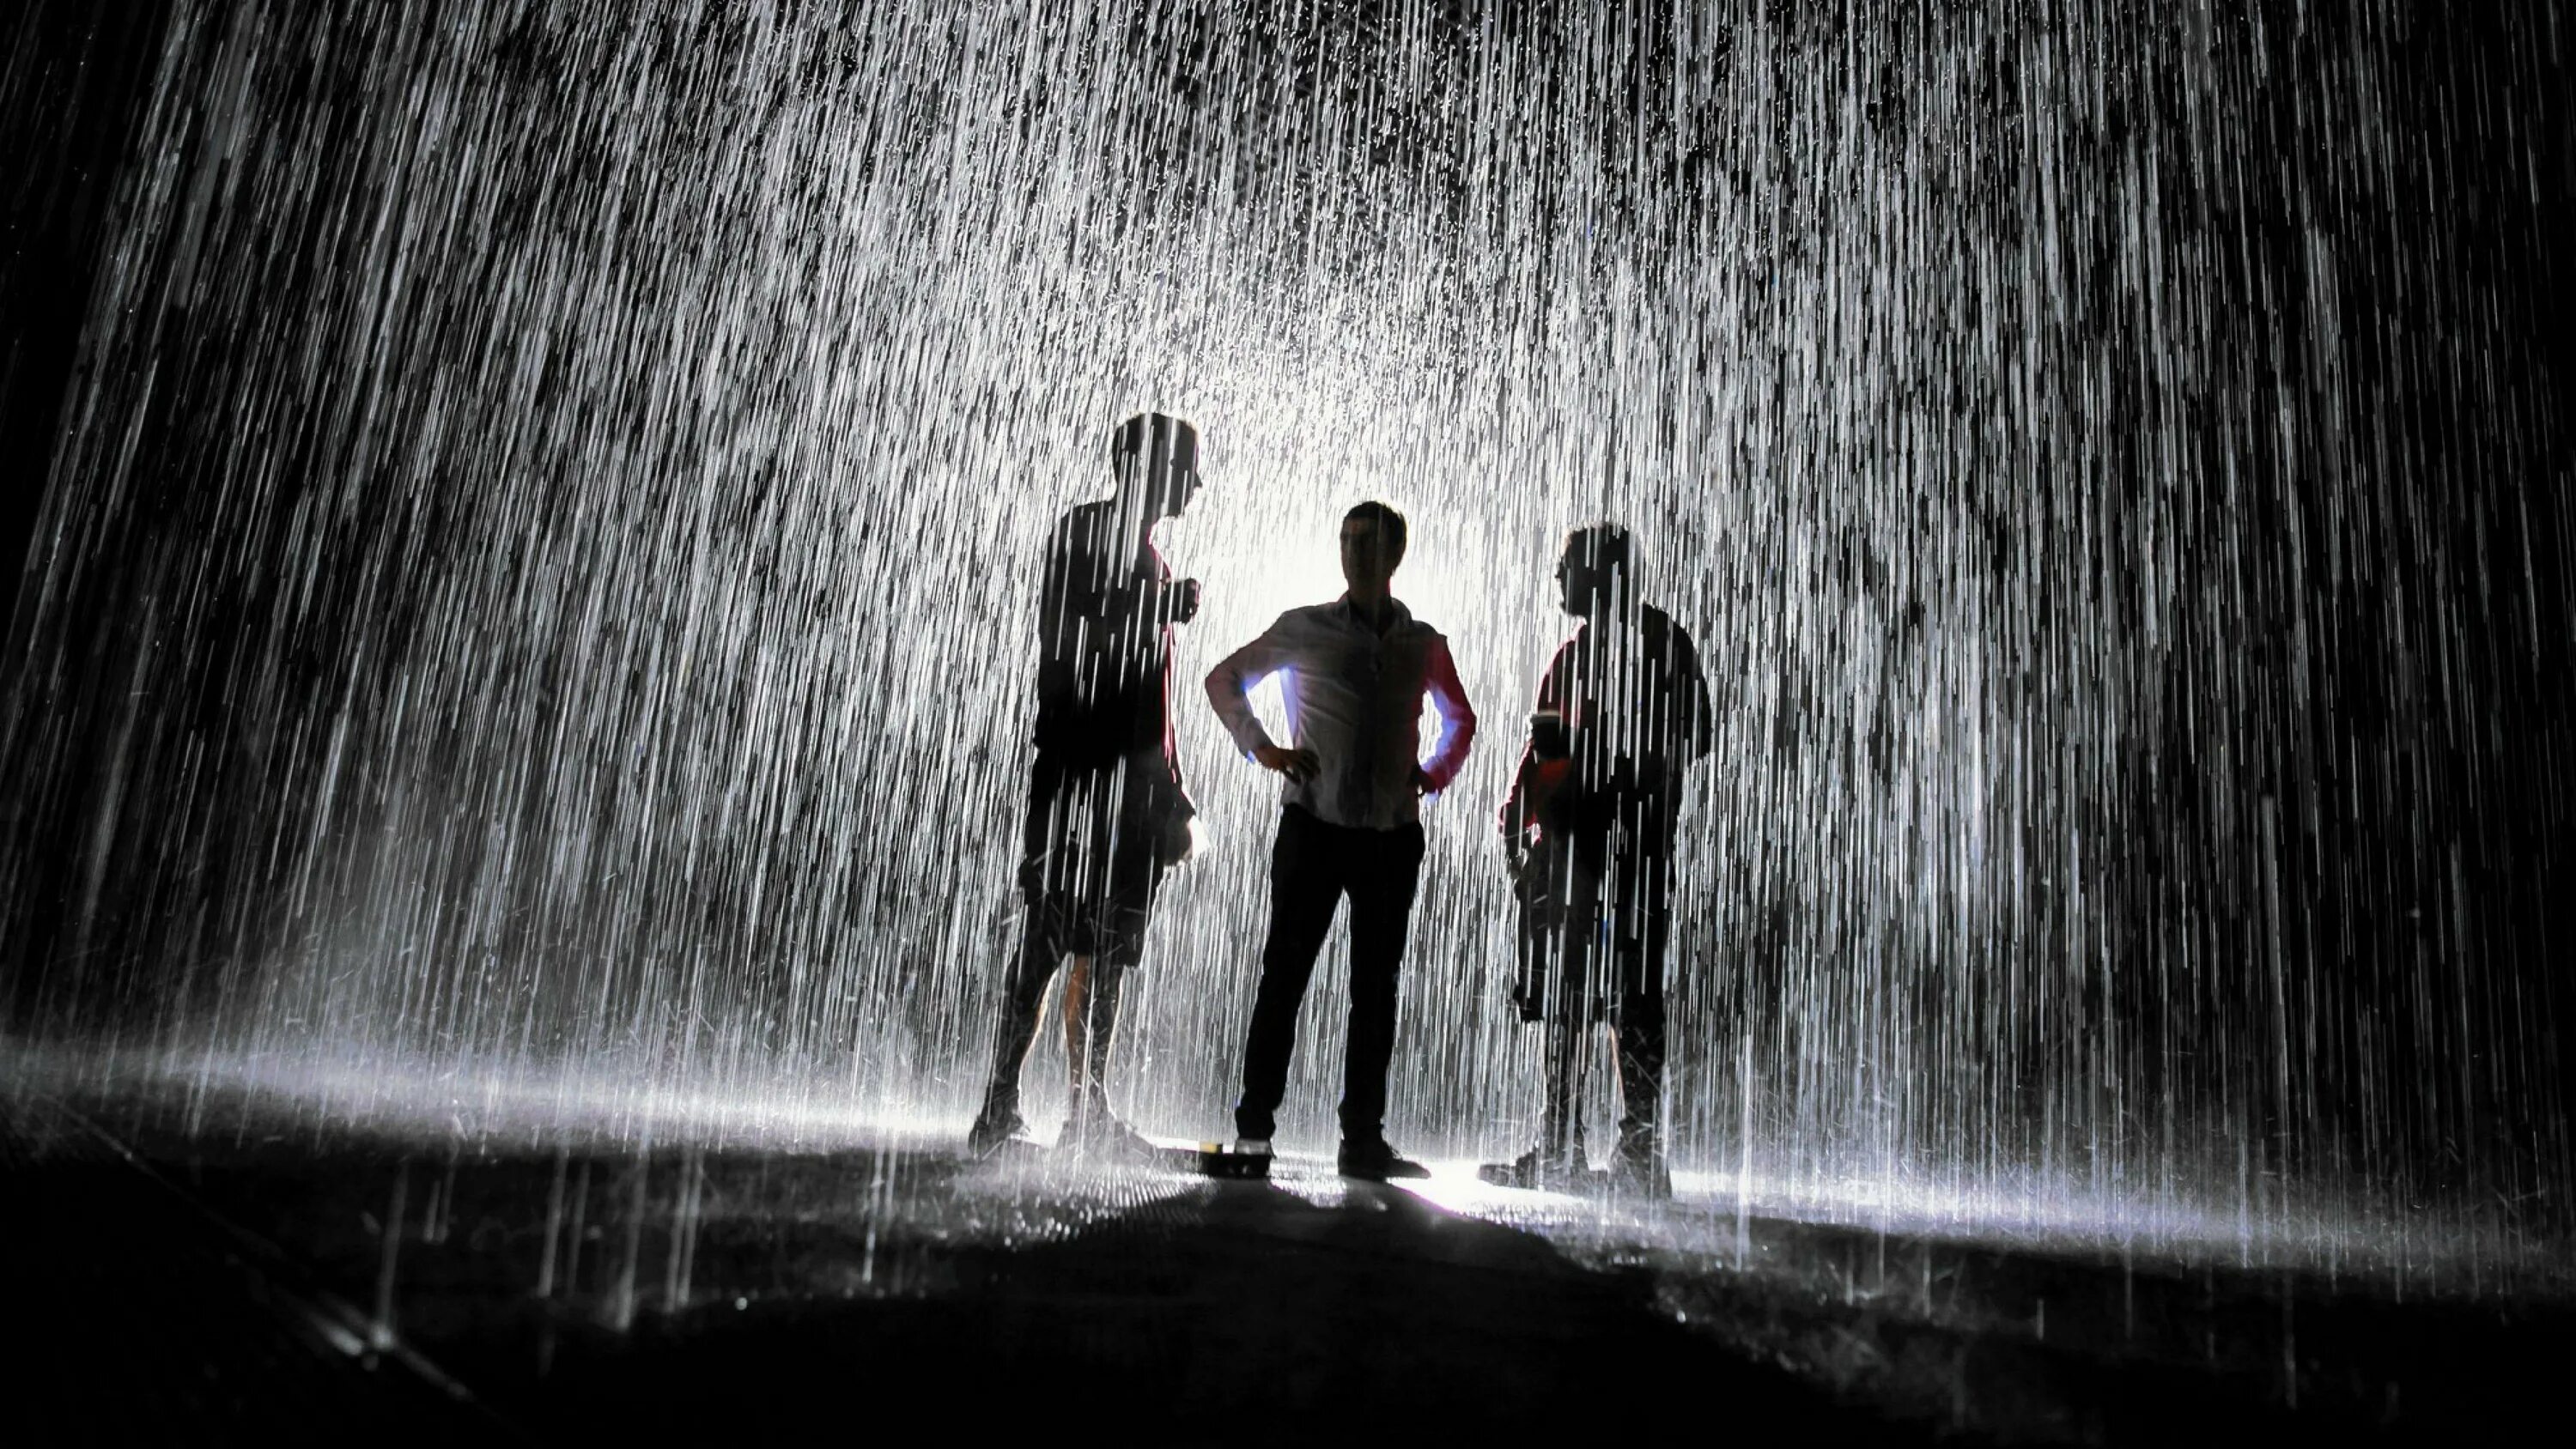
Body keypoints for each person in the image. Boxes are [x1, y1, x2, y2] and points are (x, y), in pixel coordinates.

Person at [1205, 500, 1476, 1181]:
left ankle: (1362, 1141)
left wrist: (1432, 775)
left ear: (1395, 554)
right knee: (1285, 980)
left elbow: (1461, 719)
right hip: (1316, 827)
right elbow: (1223, 679)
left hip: (1390, 835)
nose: (1353, 553)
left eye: (1367, 542)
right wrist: (1262, 749)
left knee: (1375, 990)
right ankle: (1255, 1134)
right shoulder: (1305, 628)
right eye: (1346, 540)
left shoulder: (1424, 642)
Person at [967, 413, 1204, 1159]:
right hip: (1077, 775)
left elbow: (1151, 699)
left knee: (1105, 948)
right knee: (1048, 934)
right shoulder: (1083, 534)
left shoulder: (1154, 562)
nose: (1194, 486)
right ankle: (999, 1105)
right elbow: (1069, 641)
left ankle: (1085, 1108)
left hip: (1130, 787)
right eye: (1184, 470)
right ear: (1140, 465)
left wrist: (1169, 787)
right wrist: (1153, 610)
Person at [1481, 524, 1712, 1198]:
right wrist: (1523, 819)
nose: (1556, 579)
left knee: (1615, 997)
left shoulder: (1654, 644)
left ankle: (1608, 1151)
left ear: (1599, 574)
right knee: (1582, 995)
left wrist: (1608, 765)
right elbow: (1547, 745)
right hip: (1591, 850)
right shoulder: (1607, 649)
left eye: (1566, 568)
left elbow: (1692, 734)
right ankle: (1592, 1149)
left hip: (1613, 849)